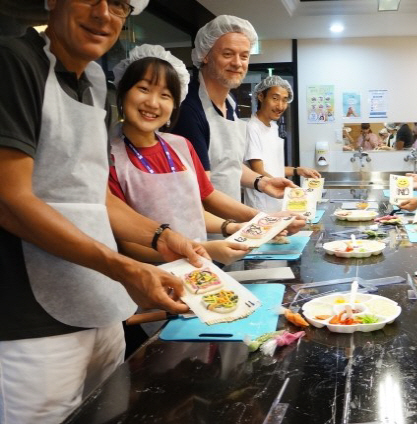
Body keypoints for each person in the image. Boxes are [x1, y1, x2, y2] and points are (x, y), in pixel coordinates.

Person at [0, 1, 211, 422]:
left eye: (118, 4)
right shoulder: (14, 63)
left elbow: (92, 192)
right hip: (34, 325)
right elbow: (11, 201)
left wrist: (160, 235)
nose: (103, 14)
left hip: (101, 308)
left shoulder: (95, 85)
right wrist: (124, 268)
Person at [108, 45, 250, 264]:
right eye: (144, 89)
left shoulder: (181, 146)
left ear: (174, 104)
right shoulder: (110, 157)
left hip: (200, 272)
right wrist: (204, 250)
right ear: (123, 91)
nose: (153, 103)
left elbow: (193, 209)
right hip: (151, 279)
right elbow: (128, 244)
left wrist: (230, 226)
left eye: (165, 95)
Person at [172, 15, 295, 205]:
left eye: (244, 56)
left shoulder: (230, 104)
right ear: (205, 55)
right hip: (202, 228)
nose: (238, 63)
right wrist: (258, 219)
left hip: (230, 223)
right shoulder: (190, 109)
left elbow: (229, 166)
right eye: (228, 54)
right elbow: (202, 191)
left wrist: (263, 182)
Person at [244, 75, 321, 212]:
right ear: (261, 97)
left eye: (284, 100)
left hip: (277, 200)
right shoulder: (252, 128)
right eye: (275, 98)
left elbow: (274, 166)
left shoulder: (273, 126)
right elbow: (258, 171)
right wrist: (292, 192)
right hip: (261, 204)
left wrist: (298, 170)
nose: (280, 106)